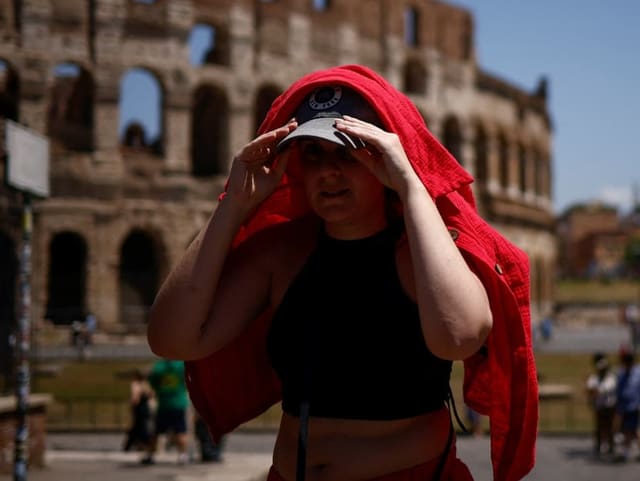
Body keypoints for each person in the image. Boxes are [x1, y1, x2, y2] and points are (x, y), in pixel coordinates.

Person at [147, 65, 537, 481]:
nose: (328, 171)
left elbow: (460, 335)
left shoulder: (420, 253)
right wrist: (234, 203)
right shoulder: (282, 254)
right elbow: (173, 338)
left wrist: (410, 184)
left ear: (384, 159)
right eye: (313, 153)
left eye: (347, 151)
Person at [142, 359, 190, 465]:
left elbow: (153, 383)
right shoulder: (181, 365)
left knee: (157, 433)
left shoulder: (159, 367)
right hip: (179, 403)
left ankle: (150, 455)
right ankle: (183, 455)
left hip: (164, 404)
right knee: (181, 431)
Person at [585, 352, 617, 458]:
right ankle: (599, 446)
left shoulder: (611, 378)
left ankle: (611, 446)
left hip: (609, 406)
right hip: (599, 407)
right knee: (599, 427)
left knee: (610, 427)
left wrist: (595, 391)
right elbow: (589, 389)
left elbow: (603, 390)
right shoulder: (594, 378)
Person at [614, 347, 640, 462]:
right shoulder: (621, 373)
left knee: (633, 430)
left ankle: (626, 452)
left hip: (635, 406)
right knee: (627, 430)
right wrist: (618, 406)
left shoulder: (638, 373)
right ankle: (626, 452)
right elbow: (618, 390)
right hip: (624, 407)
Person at [123, 368, 154, 453]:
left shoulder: (135, 384)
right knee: (142, 427)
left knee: (136, 427)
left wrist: (131, 405)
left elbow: (135, 398)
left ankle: (130, 446)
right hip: (145, 408)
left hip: (139, 408)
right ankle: (142, 444)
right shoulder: (146, 384)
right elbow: (151, 394)